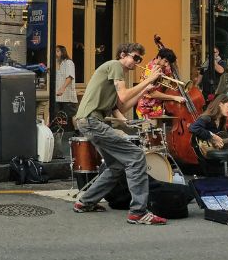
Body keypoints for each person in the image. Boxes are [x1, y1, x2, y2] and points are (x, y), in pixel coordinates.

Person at [71, 43, 168, 225]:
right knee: (136, 156)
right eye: (134, 57)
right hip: (92, 122)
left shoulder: (115, 74)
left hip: (90, 122)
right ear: (123, 54)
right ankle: (139, 212)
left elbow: (121, 106)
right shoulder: (115, 66)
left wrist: (144, 92)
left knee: (116, 166)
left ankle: (85, 202)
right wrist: (148, 79)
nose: (136, 62)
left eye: (140, 59)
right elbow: (123, 95)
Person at [136, 48, 186, 119]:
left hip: (159, 108)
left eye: (168, 63)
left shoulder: (165, 68)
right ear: (159, 57)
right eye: (165, 61)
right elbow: (152, 93)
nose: (166, 65)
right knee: (150, 130)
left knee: (161, 129)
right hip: (146, 109)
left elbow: (171, 83)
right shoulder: (149, 70)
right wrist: (174, 97)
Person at [54, 45, 77, 129]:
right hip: (58, 97)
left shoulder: (68, 62)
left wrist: (62, 88)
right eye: (55, 51)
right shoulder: (56, 63)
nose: (56, 53)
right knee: (59, 118)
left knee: (70, 117)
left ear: (63, 52)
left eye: (57, 51)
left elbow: (70, 77)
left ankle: (75, 133)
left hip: (67, 97)